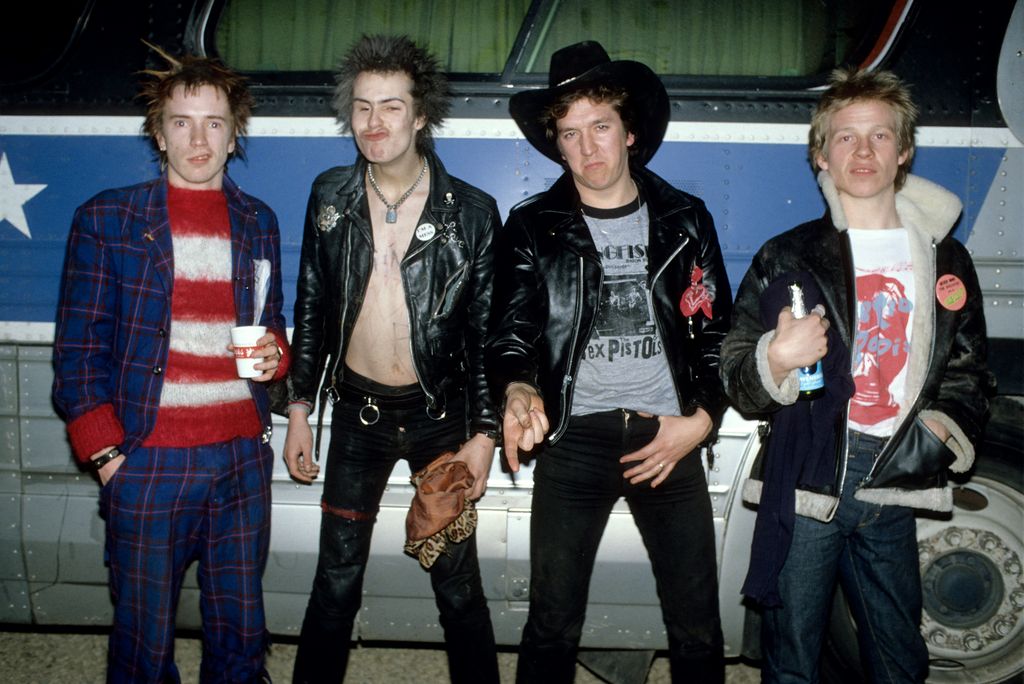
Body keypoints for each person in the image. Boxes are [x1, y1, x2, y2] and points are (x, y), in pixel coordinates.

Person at [719, 68, 992, 683]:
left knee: (899, 656)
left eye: (879, 137)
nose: (862, 152)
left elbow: (970, 369)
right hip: (810, 475)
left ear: (905, 151)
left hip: (890, 476)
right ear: (820, 154)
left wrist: (938, 437)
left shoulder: (944, 257)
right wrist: (777, 359)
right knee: (792, 657)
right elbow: (734, 371)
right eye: (845, 137)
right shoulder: (786, 254)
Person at [487, 41, 730, 683]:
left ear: (628, 132)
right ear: (557, 145)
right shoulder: (534, 227)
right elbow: (510, 335)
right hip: (574, 442)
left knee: (698, 625)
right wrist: (516, 389)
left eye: (600, 127)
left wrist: (700, 422)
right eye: (571, 134)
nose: (588, 148)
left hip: (667, 437)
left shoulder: (683, 220)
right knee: (550, 625)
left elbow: (717, 339)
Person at [52, 48, 289, 683]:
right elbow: (77, 353)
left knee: (240, 635)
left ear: (235, 133)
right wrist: (107, 458)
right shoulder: (109, 219)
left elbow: (270, 328)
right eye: (182, 122)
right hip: (148, 459)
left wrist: (275, 357)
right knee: (143, 639)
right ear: (158, 132)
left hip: (240, 459)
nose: (198, 138)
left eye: (214, 122)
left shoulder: (257, 220)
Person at [283, 35, 500, 684]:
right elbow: (312, 310)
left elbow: (488, 339)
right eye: (362, 108)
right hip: (358, 418)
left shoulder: (472, 215)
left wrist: (484, 437)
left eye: (392, 107)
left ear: (421, 114)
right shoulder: (330, 200)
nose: (375, 123)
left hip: (441, 421)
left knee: (459, 591)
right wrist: (298, 409)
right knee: (335, 583)